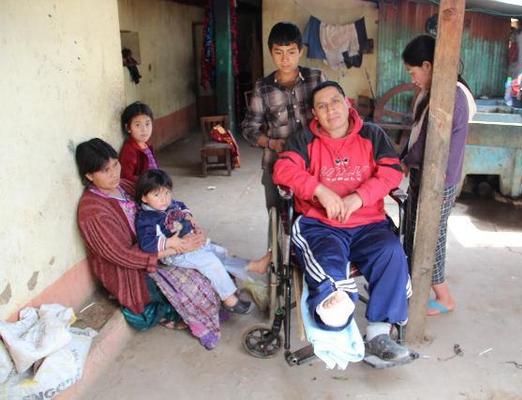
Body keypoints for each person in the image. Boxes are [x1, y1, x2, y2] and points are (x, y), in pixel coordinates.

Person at [273, 81, 412, 362]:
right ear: (314, 113)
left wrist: (358, 198)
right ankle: (334, 318)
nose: (330, 109)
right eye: (321, 106)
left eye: (335, 101)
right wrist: (320, 191)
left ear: (346, 102)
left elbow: (391, 173)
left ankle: (378, 334)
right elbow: (283, 169)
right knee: (328, 258)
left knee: (391, 252)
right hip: (320, 225)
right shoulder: (304, 140)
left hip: (368, 222)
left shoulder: (372, 135)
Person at [75, 138, 223, 349]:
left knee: (210, 255)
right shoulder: (93, 211)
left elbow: (165, 201)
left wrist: (189, 222)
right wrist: (175, 247)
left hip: (158, 246)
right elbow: (123, 256)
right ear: (89, 175)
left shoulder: (125, 186)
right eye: (105, 170)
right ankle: (181, 315)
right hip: (130, 267)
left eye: (115, 164)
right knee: (193, 280)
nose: (114, 173)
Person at [400, 35, 476, 316]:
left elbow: (431, 144)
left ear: (428, 65)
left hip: (438, 182)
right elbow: (417, 136)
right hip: (426, 177)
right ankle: (409, 286)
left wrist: (405, 162)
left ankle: (444, 297)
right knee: (412, 230)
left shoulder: (451, 96)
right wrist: (404, 161)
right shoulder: (433, 93)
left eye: (413, 71)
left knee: (431, 238)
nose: (413, 78)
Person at [134, 169, 271, 314]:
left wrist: (190, 219)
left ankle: (253, 266)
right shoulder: (146, 219)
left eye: (167, 193)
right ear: (144, 198)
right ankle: (229, 299)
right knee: (211, 263)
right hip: (177, 254)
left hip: (192, 241)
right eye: (157, 195)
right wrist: (170, 243)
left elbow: (181, 206)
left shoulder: (169, 204)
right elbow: (147, 243)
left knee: (220, 253)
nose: (164, 199)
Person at [241, 21, 325, 209]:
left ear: (300, 51)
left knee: (315, 219)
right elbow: (249, 128)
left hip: (316, 165)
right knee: (278, 219)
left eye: (291, 52)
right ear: (271, 52)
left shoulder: (316, 79)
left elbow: (334, 117)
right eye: (279, 52)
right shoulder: (263, 87)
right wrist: (272, 143)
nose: (285, 59)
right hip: (276, 164)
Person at [118, 101, 158, 183]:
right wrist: (147, 183)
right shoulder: (129, 150)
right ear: (128, 128)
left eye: (147, 124)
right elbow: (125, 177)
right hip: (143, 190)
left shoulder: (146, 145)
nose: (144, 129)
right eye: (138, 125)